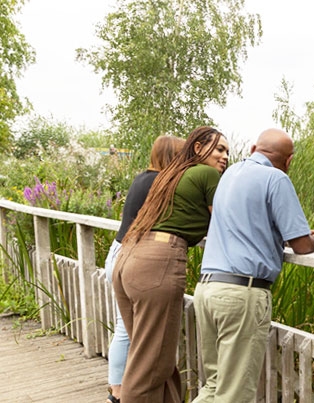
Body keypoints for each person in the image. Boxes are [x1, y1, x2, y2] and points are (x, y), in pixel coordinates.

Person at [193, 128, 314, 403]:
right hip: (242, 294)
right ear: (289, 161)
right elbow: (300, 245)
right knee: (234, 395)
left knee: (213, 387)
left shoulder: (228, 175)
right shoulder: (276, 179)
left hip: (207, 288)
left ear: (253, 149)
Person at [112, 126, 229, 403]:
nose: (225, 157)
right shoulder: (207, 173)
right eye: (220, 149)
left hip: (128, 257)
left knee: (155, 361)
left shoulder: (170, 174)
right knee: (150, 367)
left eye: (227, 151)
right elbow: (228, 222)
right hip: (157, 262)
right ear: (198, 148)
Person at [104, 135, 185, 403]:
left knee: (125, 328)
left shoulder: (143, 177)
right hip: (132, 253)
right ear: (173, 156)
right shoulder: (160, 181)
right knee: (127, 331)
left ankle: (118, 389)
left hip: (121, 251)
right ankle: (118, 390)